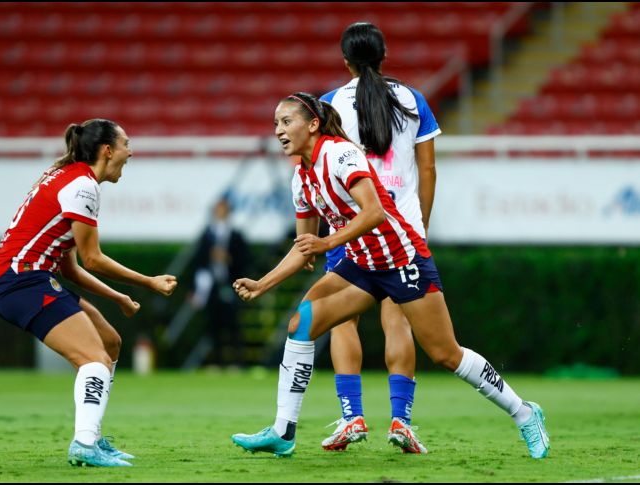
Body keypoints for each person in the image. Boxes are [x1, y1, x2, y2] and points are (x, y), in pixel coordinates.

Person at [229, 92, 550, 460]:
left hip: (402, 259)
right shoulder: (301, 179)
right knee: (301, 324)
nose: (279, 130)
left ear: (313, 124)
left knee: (446, 354)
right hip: (362, 265)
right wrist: (262, 284)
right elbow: (304, 247)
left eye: (287, 121)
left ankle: (525, 413)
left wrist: (327, 242)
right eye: (276, 124)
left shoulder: (340, 154)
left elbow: (375, 212)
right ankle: (283, 430)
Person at [0, 119, 178, 467]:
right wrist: (148, 281)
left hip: (27, 279)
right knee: (93, 359)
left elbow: (71, 268)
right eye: (126, 144)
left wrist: (118, 298)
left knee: (109, 343)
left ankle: (94, 436)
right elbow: (93, 258)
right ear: (107, 150)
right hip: (21, 281)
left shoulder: (69, 177)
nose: (130, 152)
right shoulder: (83, 186)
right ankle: (84, 443)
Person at [316, 22, 439, 454]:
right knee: (397, 320)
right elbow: (427, 168)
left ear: (344, 60)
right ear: (384, 56)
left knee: (341, 320)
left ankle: (352, 417)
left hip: (350, 228)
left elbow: (322, 166)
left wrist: (321, 230)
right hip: (402, 228)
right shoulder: (413, 99)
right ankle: (401, 421)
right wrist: (420, 223)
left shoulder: (329, 104)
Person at [188, 195, 249, 367]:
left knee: (234, 325)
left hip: (231, 285)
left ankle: (238, 363)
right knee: (212, 327)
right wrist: (193, 289)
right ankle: (217, 362)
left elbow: (245, 260)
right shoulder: (207, 235)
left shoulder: (236, 235)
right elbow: (197, 262)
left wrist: (229, 259)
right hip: (211, 288)